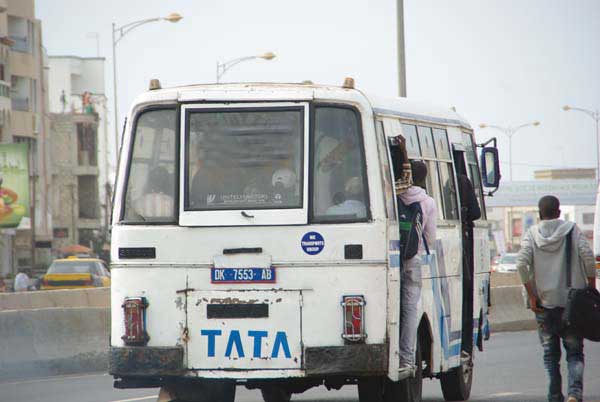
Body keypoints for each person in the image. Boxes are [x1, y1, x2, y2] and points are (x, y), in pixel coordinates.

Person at [516, 195, 596, 402]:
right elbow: (588, 255)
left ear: (539, 214)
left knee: (550, 356)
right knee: (575, 353)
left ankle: (554, 395)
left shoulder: (531, 234)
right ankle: (574, 394)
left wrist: (532, 295)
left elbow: (521, 264)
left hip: (544, 305)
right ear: (559, 213)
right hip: (573, 305)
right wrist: (591, 286)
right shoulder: (572, 230)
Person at [397, 160, 437, 379]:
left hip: (392, 257)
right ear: (423, 178)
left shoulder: (393, 195)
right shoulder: (428, 202)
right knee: (410, 308)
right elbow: (431, 237)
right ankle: (406, 358)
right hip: (413, 258)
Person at [456, 170, 481, 360]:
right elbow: (476, 213)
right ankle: (464, 345)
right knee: (464, 293)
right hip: (460, 245)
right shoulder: (462, 181)